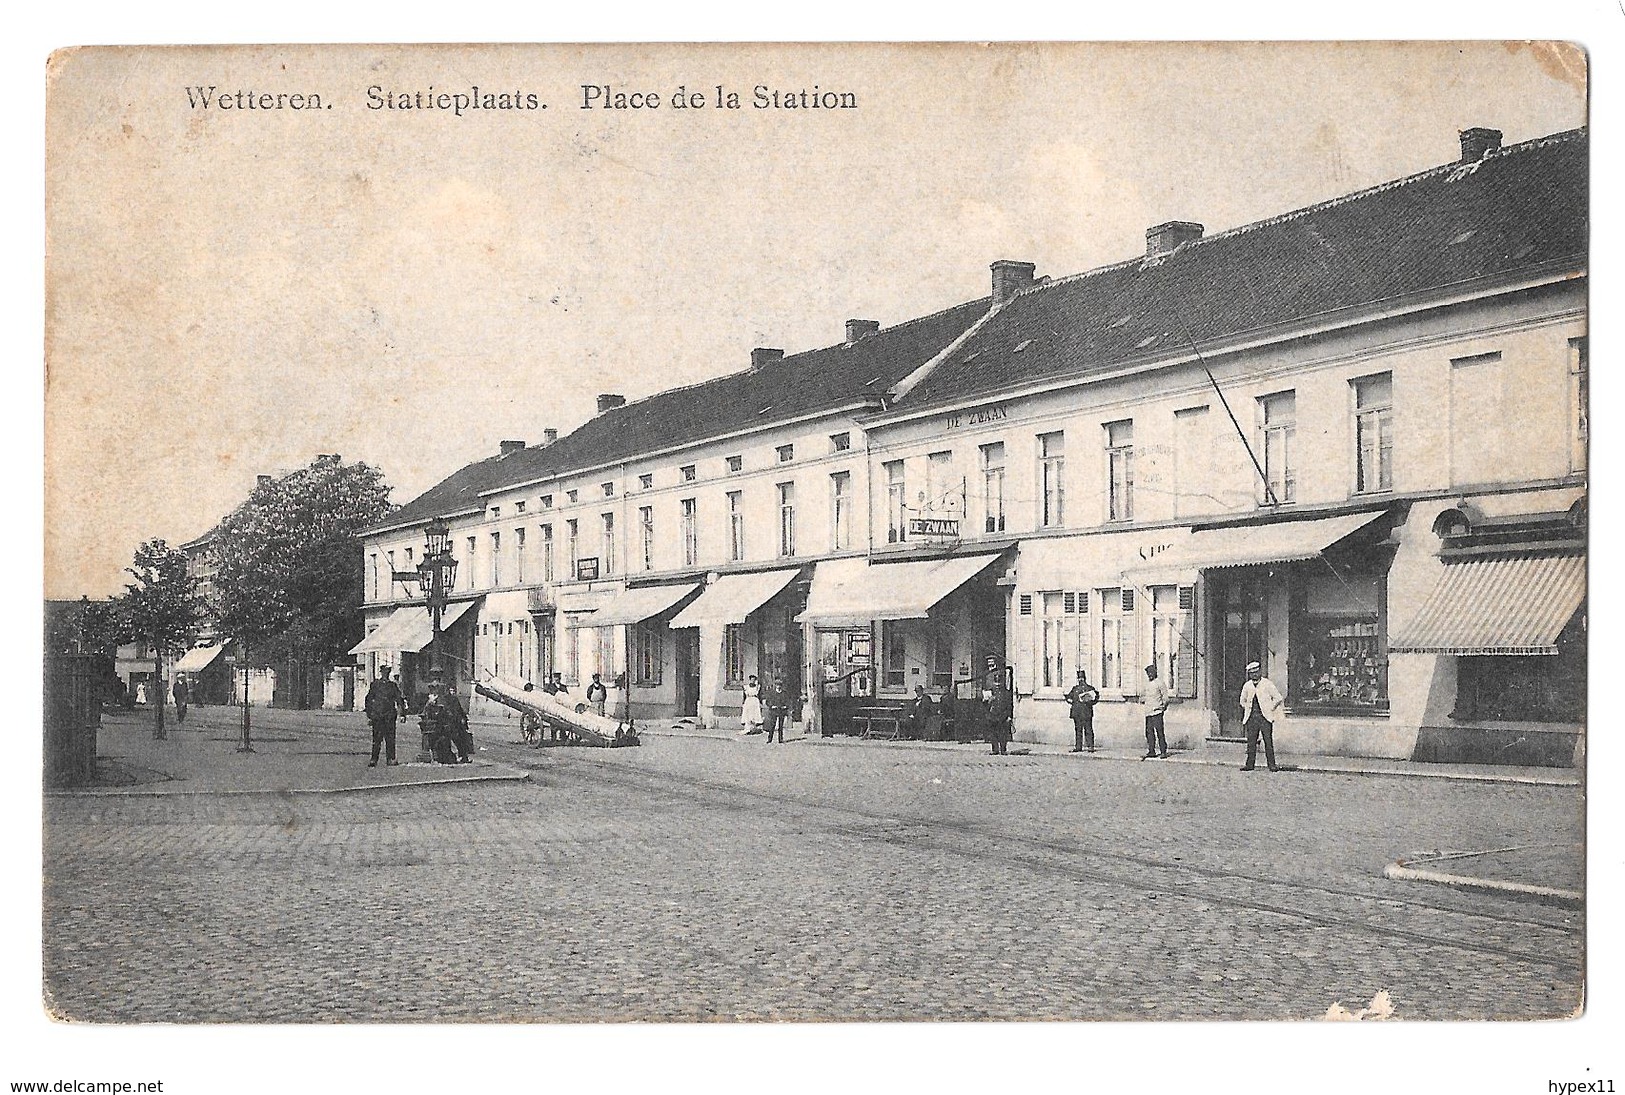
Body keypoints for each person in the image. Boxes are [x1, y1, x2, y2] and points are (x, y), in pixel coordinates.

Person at [1238, 661, 1284, 772]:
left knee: (1268, 741)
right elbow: (1242, 700)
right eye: (1251, 673)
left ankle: (1272, 765)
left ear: (1260, 672)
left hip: (1265, 717)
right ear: (1249, 674)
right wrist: (1248, 708)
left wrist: (1270, 708)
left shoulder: (1267, 684)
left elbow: (1278, 698)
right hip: (1251, 717)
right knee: (1251, 742)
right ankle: (1249, 765)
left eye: (1256, 672)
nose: (1254, 675)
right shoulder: (1247, 685)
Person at [363, 666, 407, 767]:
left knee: (390, 739)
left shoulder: (392, 686)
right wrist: (369, 715)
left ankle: (391, 758)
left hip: (389, 716)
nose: (385, 674)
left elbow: (399, 700)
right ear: (381, 672)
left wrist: (402, 714)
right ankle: (374, 759)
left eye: (387, 672)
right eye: (384, 672)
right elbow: (368, 700)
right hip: (378, 716)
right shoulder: (375, 685)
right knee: (377, 739)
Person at [1064, 670, 1099, 752]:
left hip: (1086, 713)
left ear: (1085, 679)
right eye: (1079, 678)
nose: (1081, 680)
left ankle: (1090, 746)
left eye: (1082, 678)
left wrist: (1090, 700)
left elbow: (1095, 699)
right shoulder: (1075, 689)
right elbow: (1069, 698)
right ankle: (1078, 747)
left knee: (1088, 729)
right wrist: (1069, 699)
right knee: (1078, 730)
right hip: (1077, 713)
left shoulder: (1090, 689)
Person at [1141, 664, 1169, 759]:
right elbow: (1143, 696)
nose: (1150, 675)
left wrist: (1162, 708)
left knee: (1159, 732)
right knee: (1149, 732)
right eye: (1148, 673)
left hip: (1157, 711)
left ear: (1155, 673)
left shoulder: (1160, 683)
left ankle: (1163, 751)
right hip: (1148, 712)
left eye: (1151, 673)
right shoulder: (1147, 684)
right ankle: (1151, 751)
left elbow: (1165, 697)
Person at [986, 676, 1013, 755]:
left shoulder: (1006, 693)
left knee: (1003, 734)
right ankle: (995, 749)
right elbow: (985, 705)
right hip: (993, 715)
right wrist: (989, 701)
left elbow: (1009, 705)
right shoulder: (990, 692)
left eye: (999, 683)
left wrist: (1009, 716)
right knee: (993, 734)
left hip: (1002, 716)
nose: (997, 685)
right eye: (996, 683)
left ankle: (1003, 749)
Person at [764, 671, 790, 743]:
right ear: (775, 685)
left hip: (781, 710)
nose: (778, 686)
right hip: (774, 711)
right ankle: (770, 739)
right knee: (772, 725)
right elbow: (768, 701)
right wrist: (772, 706)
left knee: (780, 726)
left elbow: (787, 701)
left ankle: (780, 739)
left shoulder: (784, 693)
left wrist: (785, 706)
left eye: (780, 685)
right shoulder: (772, 693)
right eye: (777, 685)